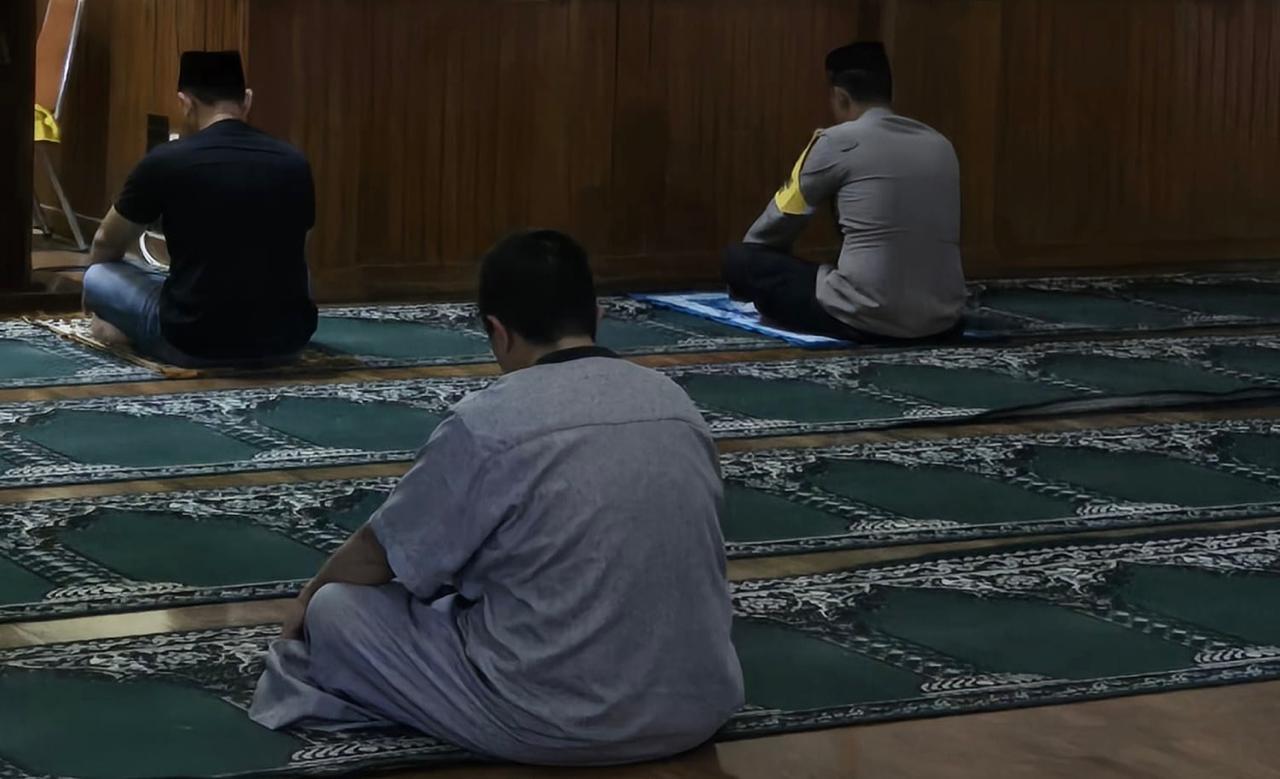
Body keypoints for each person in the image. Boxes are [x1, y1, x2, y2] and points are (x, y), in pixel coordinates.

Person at [249, 230, 745, 765]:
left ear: (498, 332)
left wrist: (307, 602)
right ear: (597, 317)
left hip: (558, 722)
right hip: (698, 707)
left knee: (337, 611)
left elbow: (382, 555)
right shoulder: (676, 403)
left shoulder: (491, 421)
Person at [82, 50, 317, 367]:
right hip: (286, 342)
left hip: (193, 342)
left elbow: (105, 242)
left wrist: (98, 302)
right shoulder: (294, 162)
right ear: (247, 100)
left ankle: (123, 329)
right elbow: (298, 248)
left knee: (99, 275)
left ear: (186, 103)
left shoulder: (165, 161)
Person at [723, 41, 967, 342]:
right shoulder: (941, 144)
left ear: (840, 96)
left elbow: (775, 225)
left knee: (740, 259)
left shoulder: (836, 141)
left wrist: (748, 270)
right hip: (944, 319)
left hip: (867, 317)